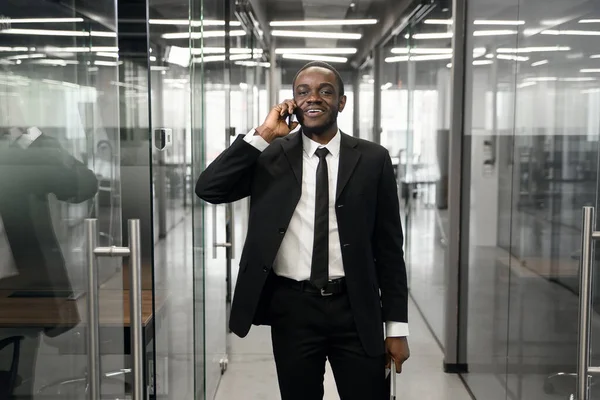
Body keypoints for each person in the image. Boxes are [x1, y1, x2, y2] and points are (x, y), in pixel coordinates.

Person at [196, 61, 410, 399]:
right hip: (292, 309)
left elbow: (388, 248)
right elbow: (209, 188)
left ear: (341, 101)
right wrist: (263, 135)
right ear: (293, 103)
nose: (314, 98)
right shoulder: (270, 156)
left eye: (325, 91)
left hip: (356, 309)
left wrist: (396, 327)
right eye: (303, 92)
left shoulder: (372, 159)